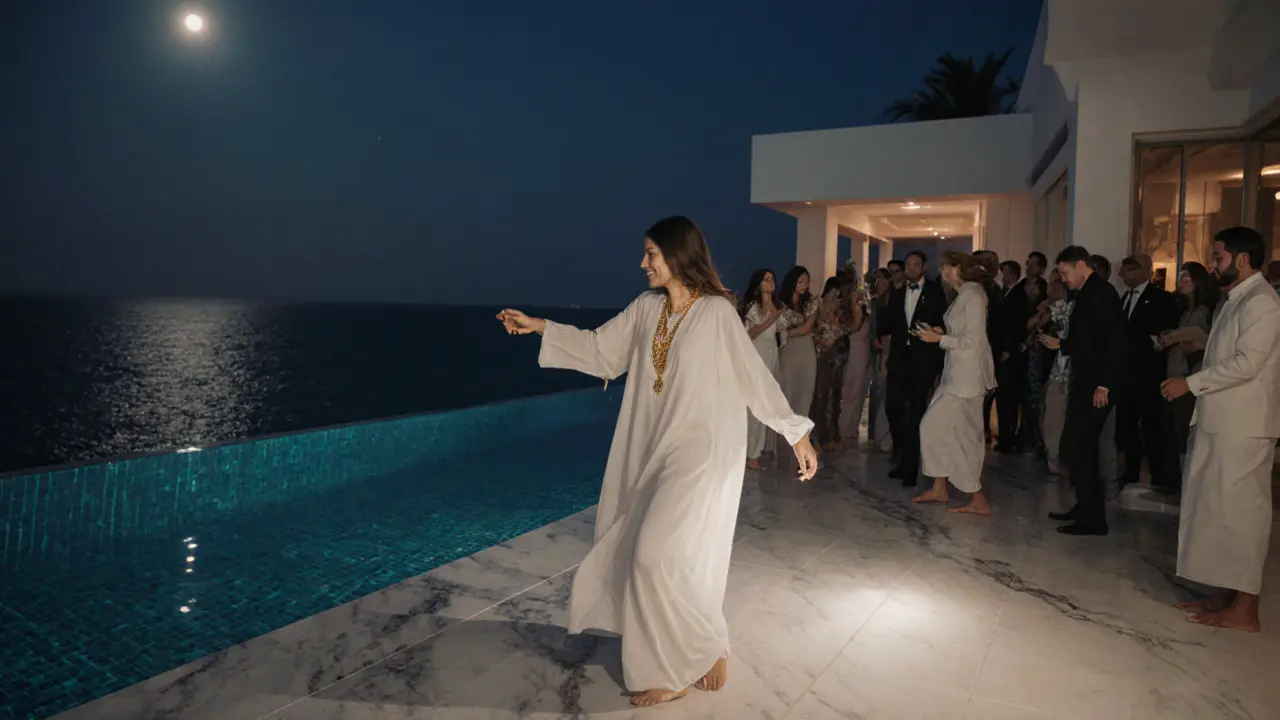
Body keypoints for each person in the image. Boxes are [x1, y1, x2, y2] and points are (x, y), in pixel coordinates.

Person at [497, 216, 819, 705]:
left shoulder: (716, 314)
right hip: (657, 448)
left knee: (656, 554)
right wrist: (540, 325)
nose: (642, 263)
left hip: (704, 451)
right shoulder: (647, 309)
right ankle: (709, 643)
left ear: (677, 255)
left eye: (651, 253)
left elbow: (752, 375)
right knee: (671, 558)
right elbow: (602, 350)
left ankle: (673, 670)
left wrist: (795, 432)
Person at [1161, 226, 1280, 633]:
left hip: (1244, 426)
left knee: (1241, 515)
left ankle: (1246, 609)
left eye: (1218, 258)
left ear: (1242, 260)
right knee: (1217, 511)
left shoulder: (1263, 302)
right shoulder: (1237, 299)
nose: (1213, 265)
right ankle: (1226, 592)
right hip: (1223, 420)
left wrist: (1190, 384)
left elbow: (1249, 363)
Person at [1039, 245, 1127, 535]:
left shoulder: (1102, 293)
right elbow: (1087, 339)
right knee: (1077, 447)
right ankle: (1085, 506)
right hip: (1085, 380)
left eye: (1064, 272)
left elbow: (1113, 343)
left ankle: (1093, 519)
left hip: (1096, 385)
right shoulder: (1088, 293)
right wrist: (1061, 345)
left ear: (1080, 265)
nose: (1063, 278)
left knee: (1082, 446)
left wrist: (1105, 384)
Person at [909, 251, 996, 514]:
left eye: (945, 267)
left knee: (953, 433)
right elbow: (963, 334)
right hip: (955, 375)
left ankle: (976, 497)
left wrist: (941, 340)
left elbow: (974, 343)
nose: (941, 271)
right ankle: (940, 486)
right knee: (944, 431)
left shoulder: (974, 296)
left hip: (966, 379)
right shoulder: (966, 295)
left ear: (958, 268)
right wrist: (942, 333)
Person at [1116, 254, 1181, 493]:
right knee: (1126, 426)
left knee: (1153, 427)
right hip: (1125, 376)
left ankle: (1160, 477)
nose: (1123, 275)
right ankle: (1130, 471)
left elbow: (1160, 338)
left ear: (1143, 271)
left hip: (1148, 376)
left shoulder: (1160, 299)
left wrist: (1135, 344)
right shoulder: (1124, 299)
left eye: (1128, 270)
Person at [882, 251, 948, 485]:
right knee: (892, 406)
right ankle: (901, 451)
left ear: (924, 267)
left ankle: (910, 466)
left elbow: (942, 324)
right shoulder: (898, 294)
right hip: (900, 359)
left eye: (915, 264)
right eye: (908, 264)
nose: (911, 268)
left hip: (923, 360)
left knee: (916, 411)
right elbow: (888, 326)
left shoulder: (935, 292)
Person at [739, 268, 785, 470]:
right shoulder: (753, 308)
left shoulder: (778, 307)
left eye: (772, 279)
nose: (770, 282)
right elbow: (749, 334)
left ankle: (760, 448)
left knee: (766, 402)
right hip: (756, 355)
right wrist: (771, 319)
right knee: (753, 406)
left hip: (771, 355)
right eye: (766, 279)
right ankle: (750, 453)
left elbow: (782, 336)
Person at [994, 260, 1029, 453]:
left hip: (1009, 354)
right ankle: (1004, 436)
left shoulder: (1017, 296)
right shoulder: (1006, 293)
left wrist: (1008, 348)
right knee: (1003, 396)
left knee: (1008, 396)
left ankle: (1008, 437)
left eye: (1004, 272)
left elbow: (1015, 325)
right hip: (1004, 351)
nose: (1001, 276)